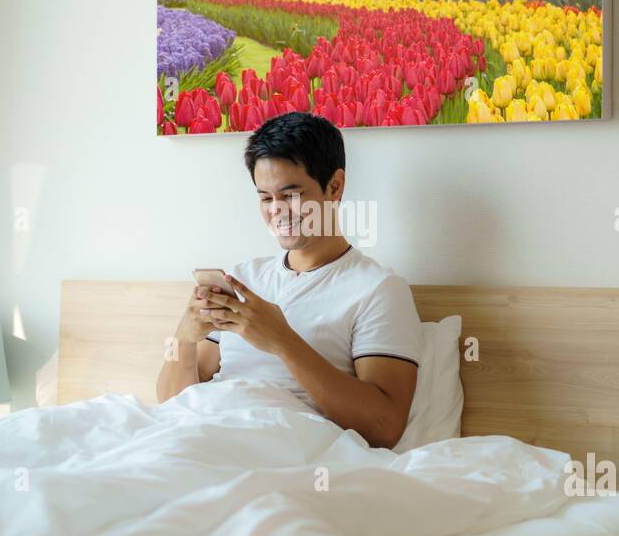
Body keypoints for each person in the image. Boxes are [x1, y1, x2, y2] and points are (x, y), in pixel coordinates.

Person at [155, 113, 421, 448]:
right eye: (265, 197)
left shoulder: (378, 289)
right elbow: (171, 408)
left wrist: (281, 340)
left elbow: (384, 427)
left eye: (291, 194)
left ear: (334, 186)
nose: (276, 210)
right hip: (204, 432)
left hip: (281, 444)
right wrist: (185, 339)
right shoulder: (243, 279)